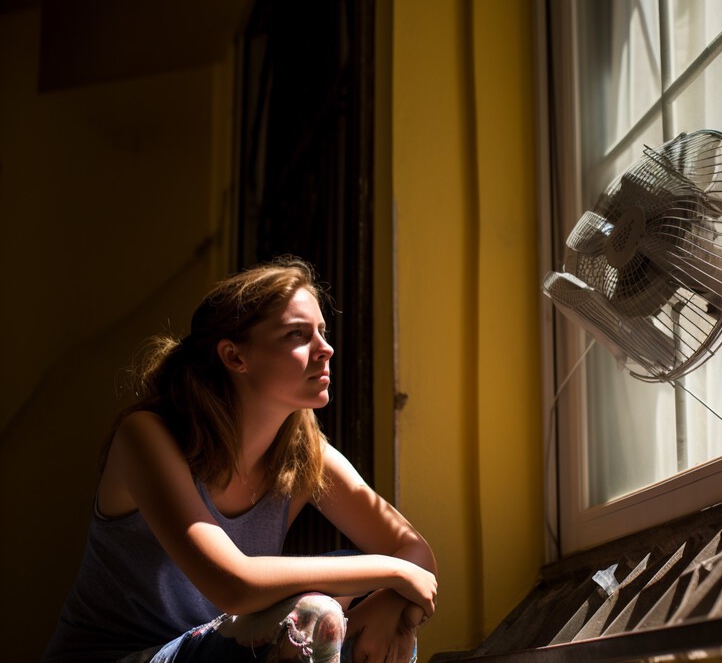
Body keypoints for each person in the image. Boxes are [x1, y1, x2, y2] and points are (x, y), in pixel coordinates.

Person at [43, 259, 437, 663]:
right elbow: (233, 585)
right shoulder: (147, 436)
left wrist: (390, 597)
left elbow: (413, 551)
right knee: (317, 612)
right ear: (234, 357)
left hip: (218, 647)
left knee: (385, 616)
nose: (326, 349)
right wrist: (392, 573)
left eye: (323, 331)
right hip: (122, 656)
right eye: (297, 335)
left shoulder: (303, 453)